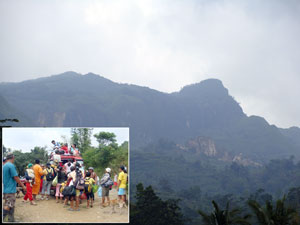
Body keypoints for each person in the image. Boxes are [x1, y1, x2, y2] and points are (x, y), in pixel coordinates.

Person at [3, 153, 27, 222]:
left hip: (6, 188)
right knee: (9, 204)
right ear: (13, 157)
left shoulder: (4, 166)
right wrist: (22, 185)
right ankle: (3, 217)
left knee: (11, 205)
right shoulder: (11, 166)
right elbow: (15, 177)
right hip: (10, 190)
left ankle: (11, 219)